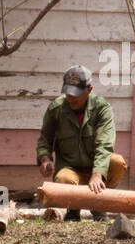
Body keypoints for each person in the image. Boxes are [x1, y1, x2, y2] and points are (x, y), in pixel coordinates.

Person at [37, 65, 127, 221]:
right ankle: (73, 211)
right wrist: (45, 159)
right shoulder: (56, 109)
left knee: (118, 163)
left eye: (76, 93)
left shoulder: (101, 109)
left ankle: (99, 206)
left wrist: (98, 174)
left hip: (97, 169)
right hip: (70, 170)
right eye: (67, 92)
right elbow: (45, 138)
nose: (70, 97)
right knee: (64, 179)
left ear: (89, 89)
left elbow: (104, 146)